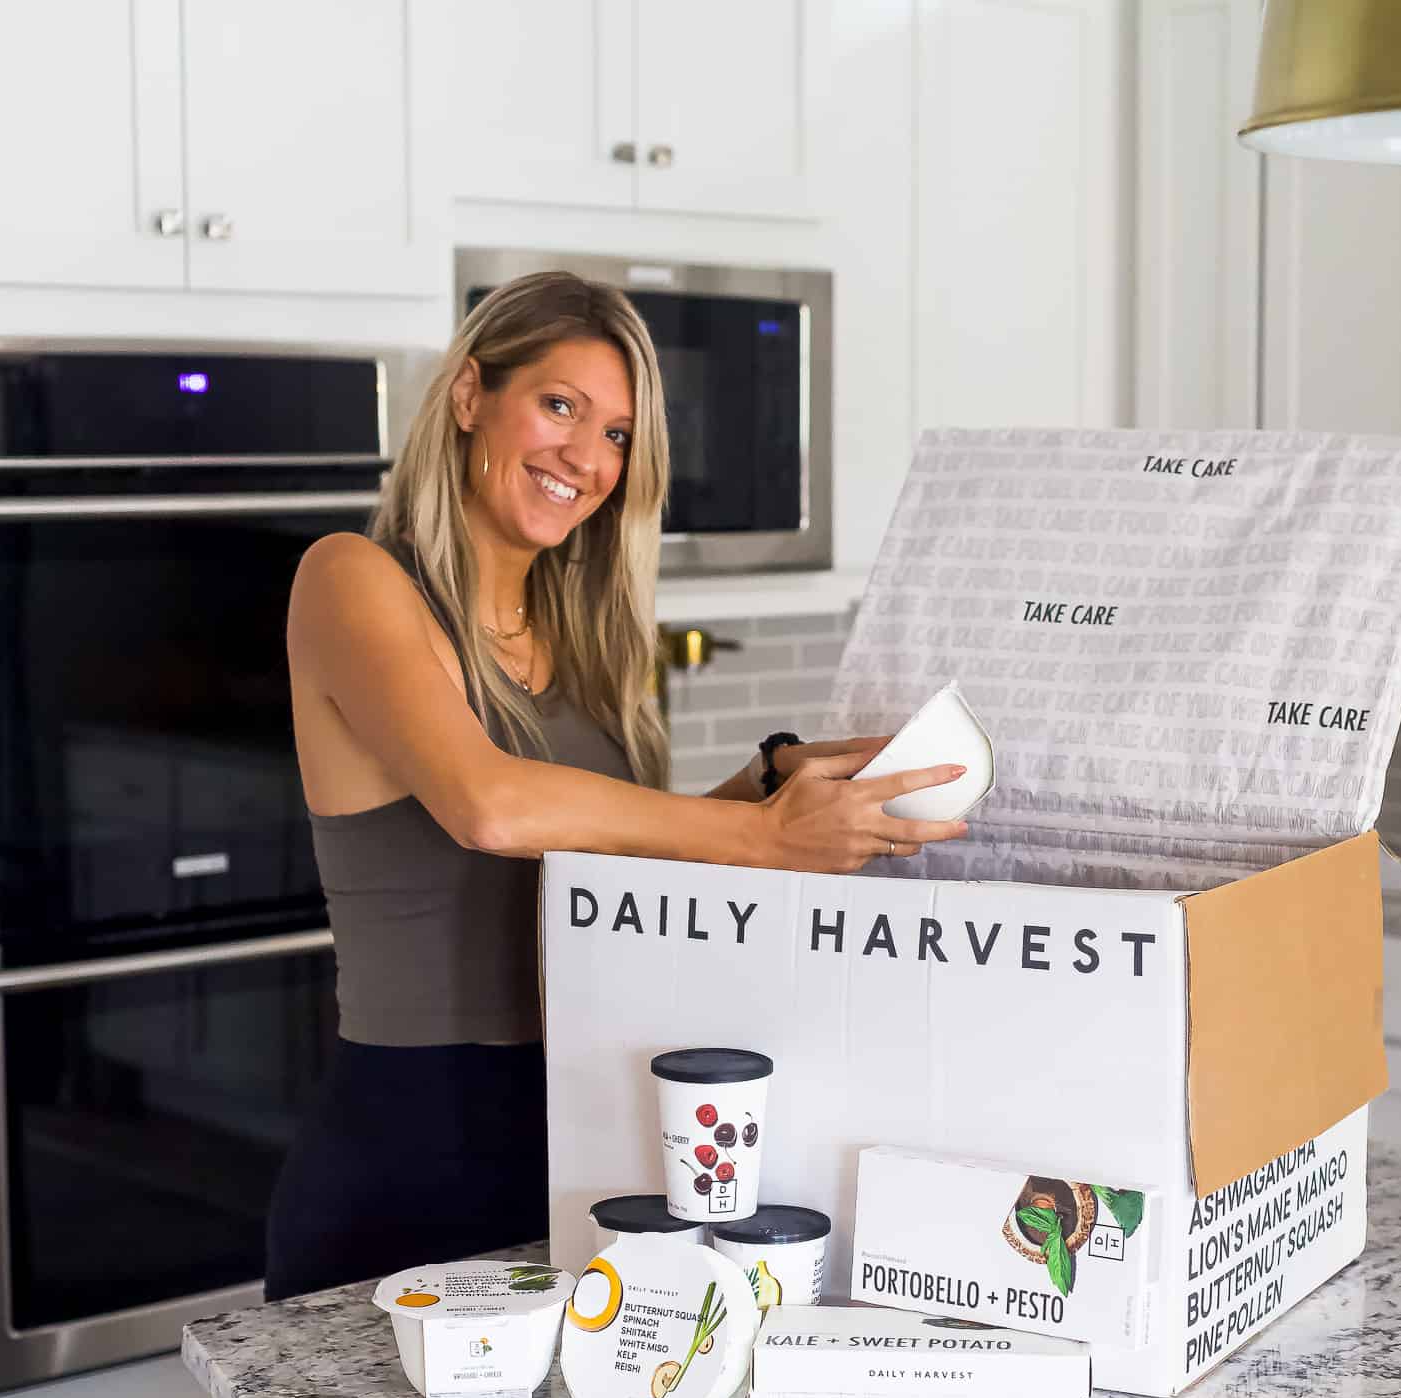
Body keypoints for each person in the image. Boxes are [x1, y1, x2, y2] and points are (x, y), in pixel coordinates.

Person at [262, 272, 965, 1299]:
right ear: (469, 398)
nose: (588, 459)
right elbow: (489, 806)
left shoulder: (590, 638)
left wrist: (769, 781)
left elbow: (613, 851)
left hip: (586, 1127)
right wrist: (767, 838)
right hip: (412, 1144)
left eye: (620, 435)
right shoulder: (354, 578)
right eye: (560, 406)